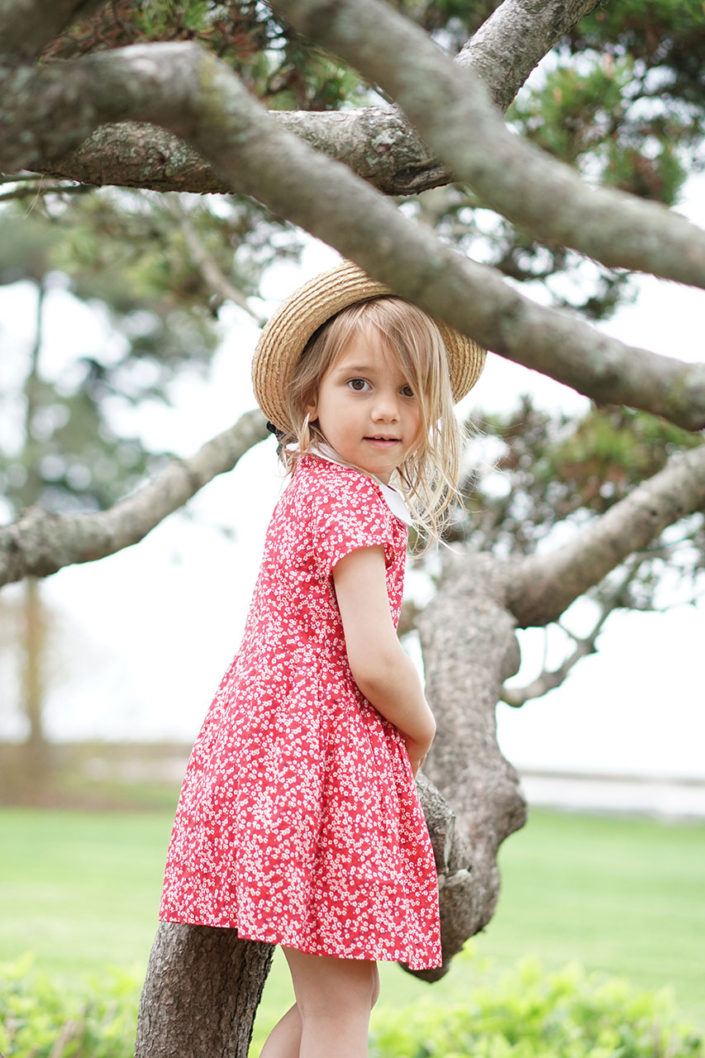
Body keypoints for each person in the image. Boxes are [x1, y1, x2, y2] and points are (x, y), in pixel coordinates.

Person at [158, 260, 486, 1058]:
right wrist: (419, 726)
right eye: (360, 385)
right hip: (316, 763)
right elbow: (374, 660)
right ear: (311, 398)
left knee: (328, 1001)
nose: (386, 411)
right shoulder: (353, 503)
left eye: (408, 392)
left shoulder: (310, 487)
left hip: (268, 753)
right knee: (344, 1006)